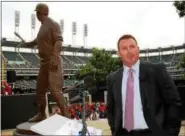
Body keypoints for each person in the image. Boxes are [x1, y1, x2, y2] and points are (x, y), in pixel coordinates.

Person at [106, 34, 182, 136]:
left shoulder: (157, 71)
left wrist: (170, 133)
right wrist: (114, 130)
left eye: (132, 47)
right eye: (124, 48)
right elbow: (111, 109)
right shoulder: (113, 78)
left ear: (138, 49)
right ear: (119, 53)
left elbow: (174, 103)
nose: (129, 51)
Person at [24, 3, 69, 122]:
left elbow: (59, 41)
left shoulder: (53, 24)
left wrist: (55, 57)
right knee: (40, 91)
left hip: (53, 61)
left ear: (40, 13)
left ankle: (66, 115)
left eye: (37, 13)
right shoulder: (43, 27)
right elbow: (38, 40)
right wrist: (29, 43)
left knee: (55, 91)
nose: (37, 15)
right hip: (44, 63)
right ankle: (42, 114)